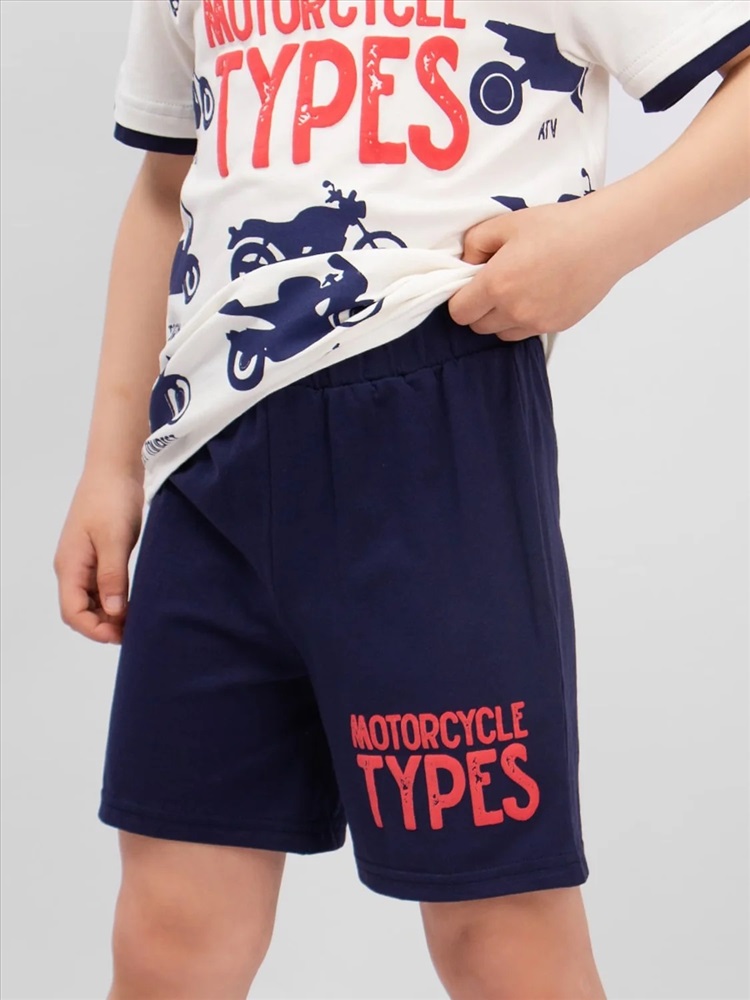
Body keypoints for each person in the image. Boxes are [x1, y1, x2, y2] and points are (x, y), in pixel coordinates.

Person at [53, 2, 750, 997]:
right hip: (207, 455)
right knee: (170, 924)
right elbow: (167, 188)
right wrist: (110, 465)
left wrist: (601, 240)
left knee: (496, 924)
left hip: (434, 432)